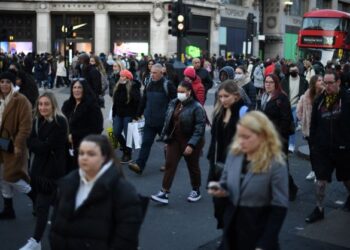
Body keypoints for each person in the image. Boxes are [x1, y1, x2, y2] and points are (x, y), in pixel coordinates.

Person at [208, 111, 288, 250]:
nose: (240, 141)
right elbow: (226, 181)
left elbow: (279, 207)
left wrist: (264, 243)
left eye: (246, 137)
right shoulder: (234, 154)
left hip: (257, 233)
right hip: (231, 231)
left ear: (262, 136)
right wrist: (221, 189)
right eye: (239, 136)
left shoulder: (275, 164)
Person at [49, 135, 144, 250]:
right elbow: (56, 227)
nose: (84, 157)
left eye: (91, 154)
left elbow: (126, 240)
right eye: (81, 153)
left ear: (104, 157)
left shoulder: (124, 192)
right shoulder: (67, 184)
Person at [19, 92, 68, 250]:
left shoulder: (60, 121)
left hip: (53, 171)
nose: (42, 107)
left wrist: (36, 143)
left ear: (53, 105)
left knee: (43, 205)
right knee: (48, 205)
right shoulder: (37, 121)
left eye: (46, 104)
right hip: (39, 170)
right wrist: (37, 143)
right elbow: (30, 141)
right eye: (40, 104)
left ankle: (36, 240)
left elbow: (44, 147)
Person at [305, 70, 350, 223]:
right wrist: (314, 144)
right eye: (325, 82)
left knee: (346, 179)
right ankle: (319, 209)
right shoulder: (320, 100)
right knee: (320, 181)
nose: (327, 86)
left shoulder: (347, 99)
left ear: (338, 82)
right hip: (323, 148)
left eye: (331, 83)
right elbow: (313, 124)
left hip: (343, 148)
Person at [151, 81, 206, 204]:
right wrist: (166, 137)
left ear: (189, 92)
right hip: (174, 139)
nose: (179, 94)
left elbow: (199, 128)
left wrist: (191, 144)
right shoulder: (174, 103)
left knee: (193, 166)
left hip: (190, 140)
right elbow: (168, 121)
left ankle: (196, 190)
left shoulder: (197, 107)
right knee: (170, 164)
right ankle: (164, 192)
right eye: (178, 91)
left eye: (182, 92)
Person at [207, 80, 249, 229]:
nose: (222, 99)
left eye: (226, 96)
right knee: (218, 208)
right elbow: (214, 141)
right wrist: (212, 164)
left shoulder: (244, 113)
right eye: (220, 96)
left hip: (237, 170)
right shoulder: (219, 113)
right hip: (219, 167)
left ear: (236, 96)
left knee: (232, 212)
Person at [128, 63, 176, 174]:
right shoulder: (149, 84)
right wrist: (138, 113)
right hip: (149, 121)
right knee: (146, 143)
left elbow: (175, 103)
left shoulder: (168, 85)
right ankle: (139, 165)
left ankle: (169, 164)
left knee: (168, 144)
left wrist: (172, 117)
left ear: (161, 73)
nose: (152, 75)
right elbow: (144, 100)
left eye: (154, 73)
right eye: (151, 72)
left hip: (163, 122)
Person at [0, 71, 34, 220]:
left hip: (12, 145)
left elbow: (26, 125)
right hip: (0, 144)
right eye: (2, 82)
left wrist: (19, 144)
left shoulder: (21, 100)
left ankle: (36, 198)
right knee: (2, 177)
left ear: (13, 83)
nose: (4, 85)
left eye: (8, 82)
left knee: (11, 176)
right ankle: (8, 209)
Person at [259, 74, 298, 201]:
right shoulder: (264, 96)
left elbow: (285, 119)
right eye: (266, 82)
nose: (268, 84)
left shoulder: (281, 97)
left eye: (271, 82)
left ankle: (291, 188)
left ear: (276, 84)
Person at [62, 79, 103, 172]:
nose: (76, 90)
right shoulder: (67, 105)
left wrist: (75, 135)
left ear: (84, 89)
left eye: (79, 87)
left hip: (85, 148)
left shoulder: (92, 106)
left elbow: (97, 129)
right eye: (74, 87)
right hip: (68, 148)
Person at [296, 75, 325, 181]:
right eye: (319, 80)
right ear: (314, 83)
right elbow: (299, 108)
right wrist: (302, 119)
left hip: (322, 129)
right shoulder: (307, 95)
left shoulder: (326, 94)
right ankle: (314, 171)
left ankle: (319, 173)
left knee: (319, 152)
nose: (322, 82)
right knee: (312, 151)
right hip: (309, 129)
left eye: (322, 80)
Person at [112, 69, 141, 163]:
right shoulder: (118, 86)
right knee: (116, 132)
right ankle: (125, 148)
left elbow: (137, 102)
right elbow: (115, 102)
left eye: (123, 76)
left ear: (128, 78)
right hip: (118, 113)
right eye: (120, 76)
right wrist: (113, 113)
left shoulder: (133, 87)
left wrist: (136, 115)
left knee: (128, 135)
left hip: (128, 114)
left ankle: (127, 154)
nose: (121, 78)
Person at [281, 64, 308, 152]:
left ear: (298, 71)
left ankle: (291, 145)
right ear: (289, 71)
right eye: (292, 70)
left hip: (296, 106)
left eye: (295, 70)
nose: (294, 72)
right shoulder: (284, 81)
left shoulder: (303, 81)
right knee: (285, 125)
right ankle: (285, 143)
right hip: (286, 106)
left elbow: (306, 93)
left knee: (292, 125)